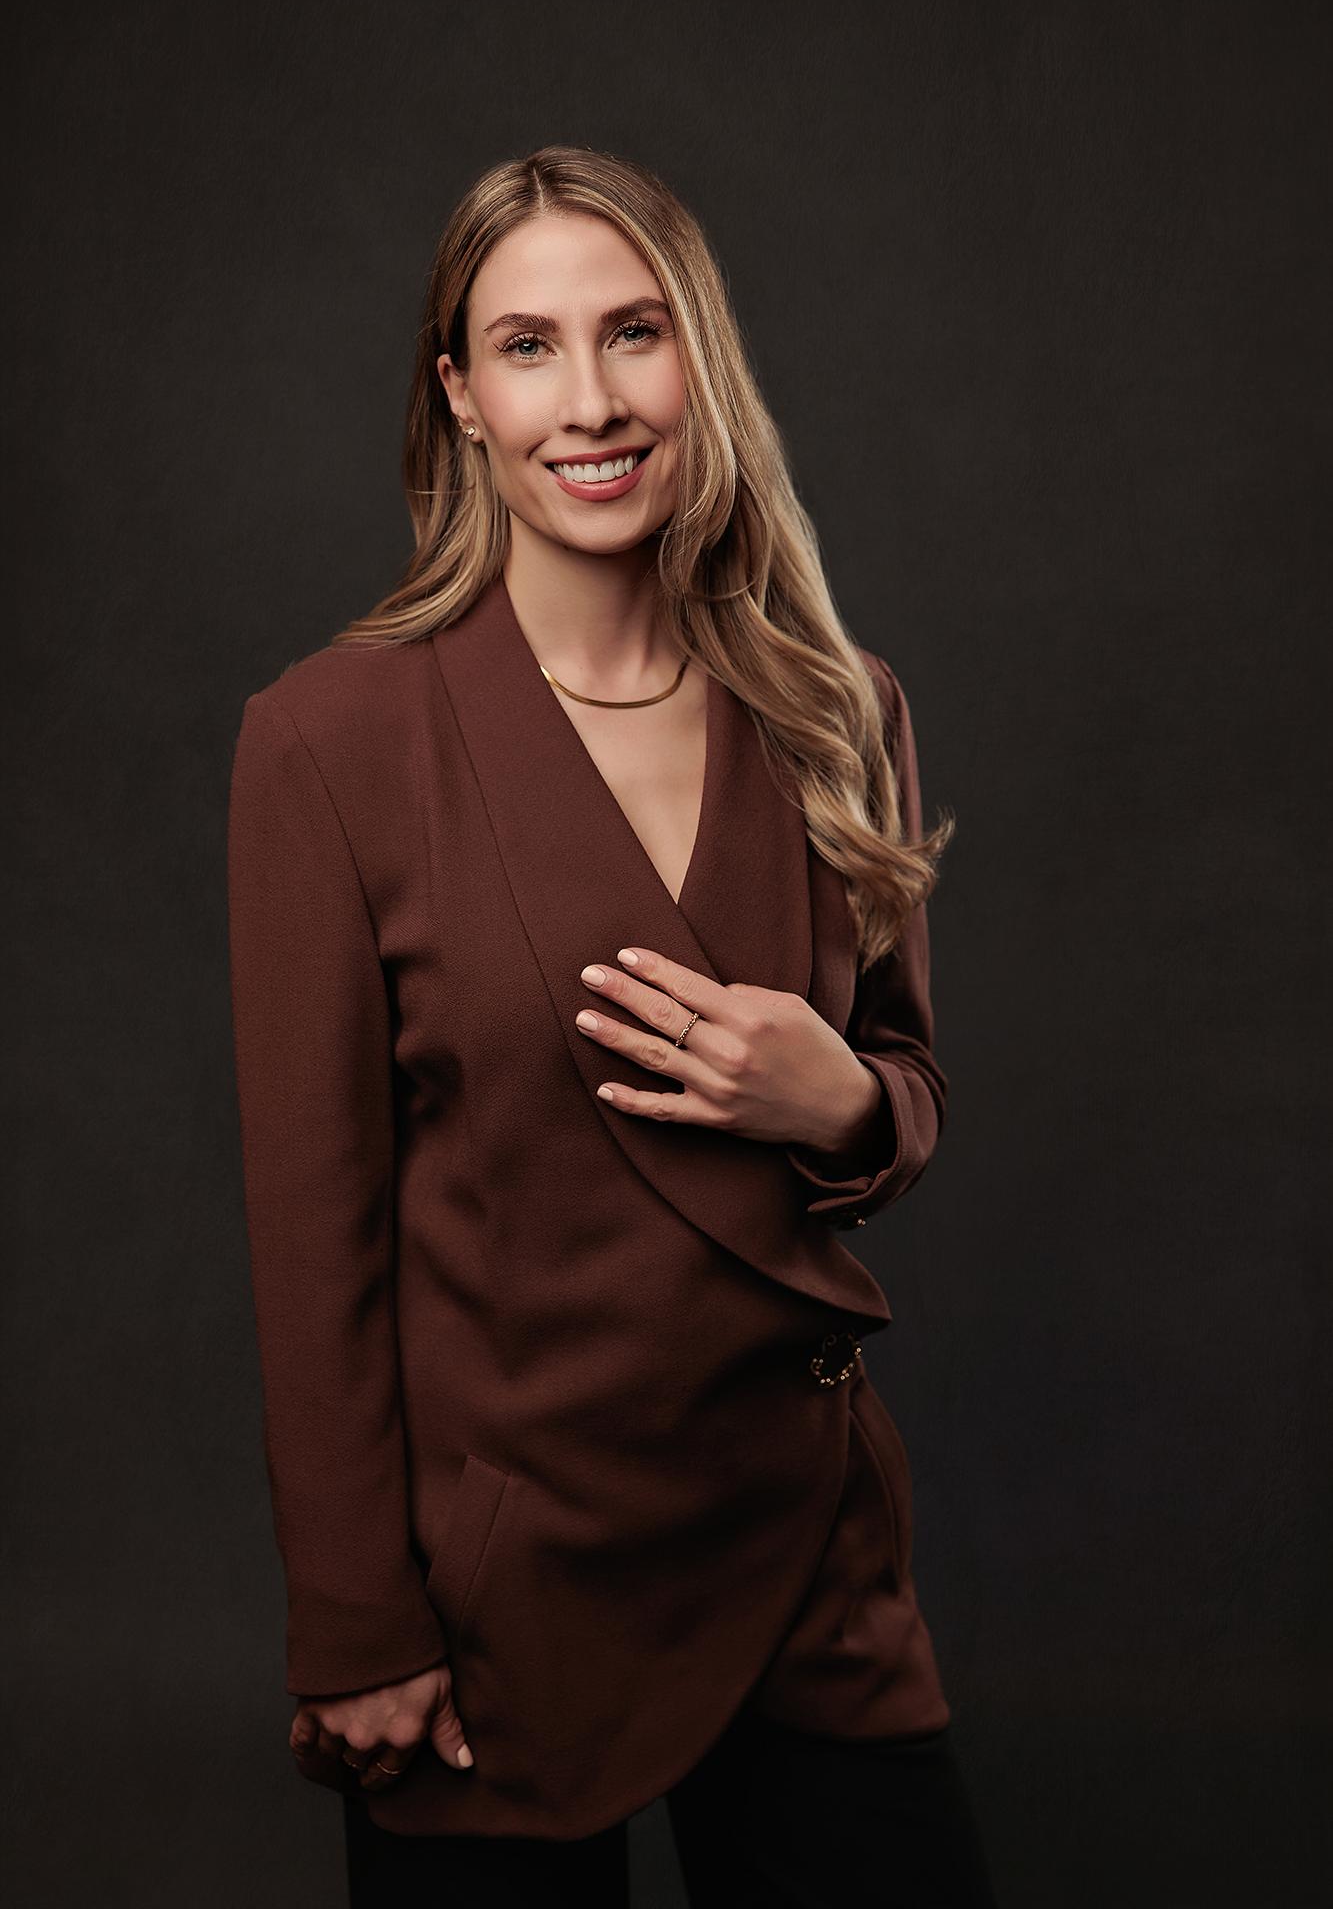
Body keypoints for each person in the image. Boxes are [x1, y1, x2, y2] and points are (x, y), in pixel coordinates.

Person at [227, 144, 999, 1907]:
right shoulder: (330, 741)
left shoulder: (834, 704)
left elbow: (905, 1086)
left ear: (696, 361)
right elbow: (313, 1234)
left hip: (806, 1551)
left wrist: (846, 1108)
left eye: (632, 333)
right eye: (526, 346)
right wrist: (355, 1624)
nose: (589, 398)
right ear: (461, 398)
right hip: (502, 1588)